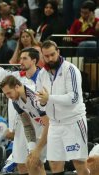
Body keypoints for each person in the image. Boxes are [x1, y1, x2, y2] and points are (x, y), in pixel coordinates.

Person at [0, 46, 42, 174]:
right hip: (20, 126)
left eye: (24, 58)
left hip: (38, 124)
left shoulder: (43, 78)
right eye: (20, 58)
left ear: (34, 60)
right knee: (21, 163)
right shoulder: (15, 76)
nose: (20, 61)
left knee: (35, 164)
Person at [36, 40, 89, 175]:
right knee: (54, 163)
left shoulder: (70, 69)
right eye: (46, 56)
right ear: (42, 56)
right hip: (54, 124)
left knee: (79, 163)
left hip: (73, 121)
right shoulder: (42, 74)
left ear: (58, 51)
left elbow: (74, 98)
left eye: (52, 54)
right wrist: (41, 102)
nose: (50, 58)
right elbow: (38, 99)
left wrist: (49, 98)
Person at [0, 75, 49, 175]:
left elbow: (49, 125)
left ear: (17, 87)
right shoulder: (15, 101)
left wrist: (37, 149)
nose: (8, 97)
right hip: (40, 128)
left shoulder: (35, 98)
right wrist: (32, 148)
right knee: (31, 162)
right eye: (5, 94)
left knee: (37, 163)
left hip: (56, 127)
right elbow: (27, 125)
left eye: (9, 93)